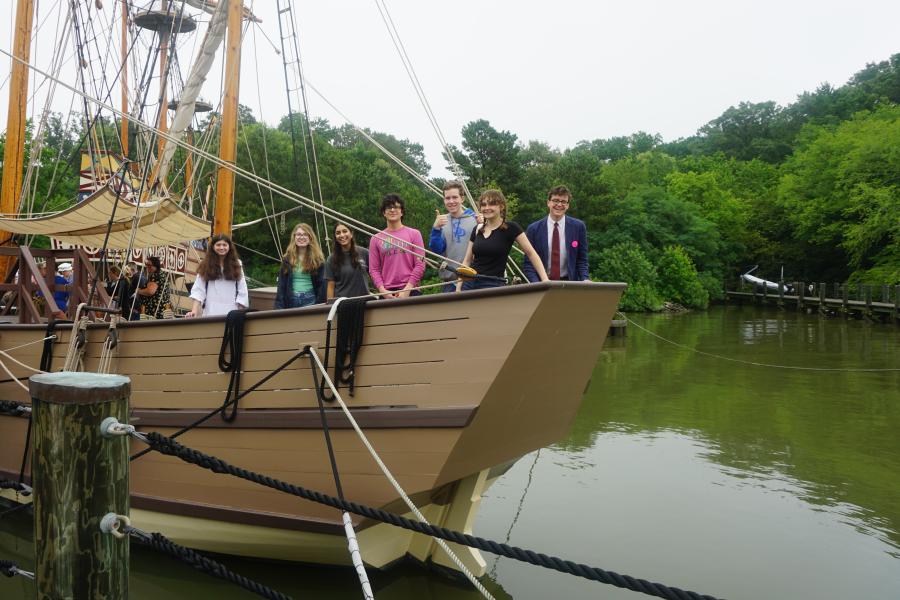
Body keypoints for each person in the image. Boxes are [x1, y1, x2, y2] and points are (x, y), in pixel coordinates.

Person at [459, 189, 549, 291]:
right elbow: (467, 261)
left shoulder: (511, 228)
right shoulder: (477, 229)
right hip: (469, 282)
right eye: (483, 205)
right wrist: (459, 287)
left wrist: (545, 280)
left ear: (501, 206)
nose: (487, 208)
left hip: (492, 284)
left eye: (492, 204)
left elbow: (531, 254)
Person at [523, 185, 589, 282]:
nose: (559, 204)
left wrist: (585, 279)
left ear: (568, 205)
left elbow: (582, 259)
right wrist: (536, 284)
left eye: (563, 202)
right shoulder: (533, 229)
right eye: (555, 200)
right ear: (548, 203)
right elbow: (528, 263)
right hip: (542, 284)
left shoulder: (578, 227)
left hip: (570, 284)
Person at [368, 194, 425, 298]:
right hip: (387, 292)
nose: (392, 210)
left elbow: (420, 264)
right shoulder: (375, 239)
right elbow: (374, 269)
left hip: (411, 289)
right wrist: (383, 291)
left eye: (396, 207)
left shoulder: (414, 234)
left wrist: (407, 290)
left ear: (402, 212)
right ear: (384, 212)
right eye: (389, 207)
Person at [429, 180, 479, 293]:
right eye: (447, 198)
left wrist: (483, 223)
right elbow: (436, 250)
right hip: (449, 283)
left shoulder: (475, 219)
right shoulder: (441, 222)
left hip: (472, 280)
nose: (451, 201)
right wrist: (436, 229)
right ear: (444, 200)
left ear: (462, 198)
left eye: (455, 197)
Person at [186, 233, 249, 317]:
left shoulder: (237, 264)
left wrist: (240, 313)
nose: (222, 247)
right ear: (213, 247)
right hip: (210, 312)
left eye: (224, 245)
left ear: (229, 247)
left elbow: (242, 290)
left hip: (232, 313)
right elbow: (198, 290)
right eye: (218, 245)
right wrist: (194, 311)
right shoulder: (205, 265)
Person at [274, 222, 326, 308]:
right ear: (294, 237)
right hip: (291, 299)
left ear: (310, 238)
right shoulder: (287, 259)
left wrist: (319, 305)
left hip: (310, 299)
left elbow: (322, 286)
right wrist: (279, 306)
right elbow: (282, 285)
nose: (301, 237)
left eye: (305, 234)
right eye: (298, 234)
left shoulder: (318, 260)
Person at [325, 222, 370, 300]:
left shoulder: (364, 253)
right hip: (342, 304)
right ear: (335, 237)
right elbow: (330, 286)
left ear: (351, 234)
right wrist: (330, 306)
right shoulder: (331, 259)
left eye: (345, 231)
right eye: (338, 233)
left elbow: (375, 275)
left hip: (364, 301)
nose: (342, 235)